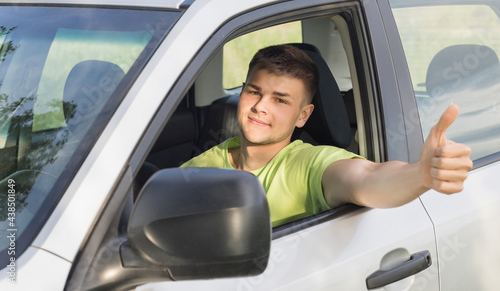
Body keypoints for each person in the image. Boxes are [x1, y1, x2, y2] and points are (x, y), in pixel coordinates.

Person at [181, 44, 473, 227]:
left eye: (280, 100)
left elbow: (366, 178)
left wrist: (420, 174)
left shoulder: (309, 164)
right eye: (254, 92)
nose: (260, 107)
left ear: (303, 115)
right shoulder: (210, 159)